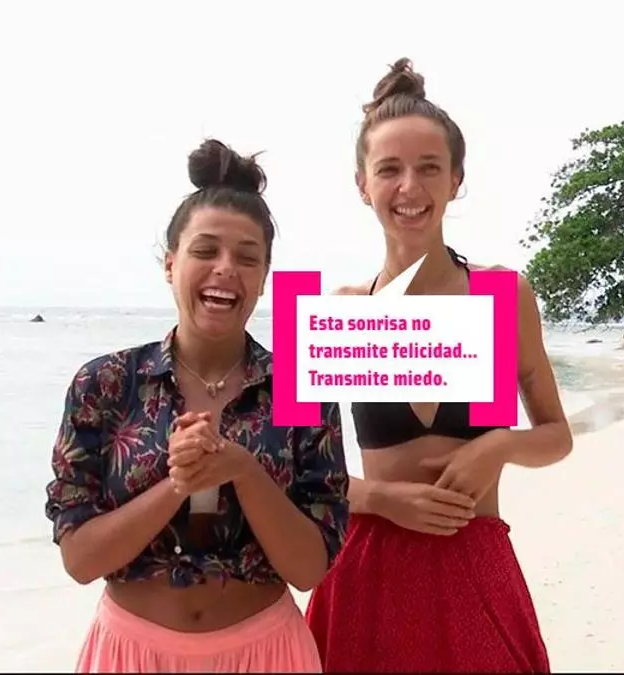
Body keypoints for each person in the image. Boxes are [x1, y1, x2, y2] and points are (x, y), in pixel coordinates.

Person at [304, 58, 574, 673]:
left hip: (476, 561)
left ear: (456, 180)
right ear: (362, 184)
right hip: (368, 571)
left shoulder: (503, 295)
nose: (410, 187)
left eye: (429, 167)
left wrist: (498, 445)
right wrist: (381, 498)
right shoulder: (337, 311)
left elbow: (557, 436)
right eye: (389, 169)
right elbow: (295, 475)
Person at [45, 139, 349, 673]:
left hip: (266, 653)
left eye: (247, 258)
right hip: (132, 653)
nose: (225, 269)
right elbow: (80, 559)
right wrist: (178, 483)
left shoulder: (301, 391)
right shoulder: (106, 384)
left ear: (264, 277)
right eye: (205, 251)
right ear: (170, 264)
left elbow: (309, 570)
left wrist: (243, 471)